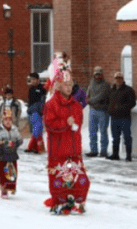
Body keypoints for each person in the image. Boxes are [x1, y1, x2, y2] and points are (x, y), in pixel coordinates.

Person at [43, 53, 89, 215]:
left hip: (74, 150)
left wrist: (74, 124)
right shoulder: (51, 104)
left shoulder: (76, 104)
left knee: (80, 179)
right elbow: (50, 124)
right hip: (58, 150)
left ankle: (77, 200)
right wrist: (65, 123)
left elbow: (79, 122)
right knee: (59, 180)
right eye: (65, 84)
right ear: (58, 85)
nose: (69, 87)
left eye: (71, 84)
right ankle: (60, 202)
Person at [0, 109, 23, 198]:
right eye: (6, 120)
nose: (8, 122)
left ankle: (12, 187)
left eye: (10, 120)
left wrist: (18, 142)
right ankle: (4, 189)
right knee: (3, 172)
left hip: (12, 154)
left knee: (13, 172)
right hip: (2, 155)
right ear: (2, 121)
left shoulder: (14, 130)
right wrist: (0, 142)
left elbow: (19, 139)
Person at [106, 72, 136, 161]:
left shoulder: (129, 90)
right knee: (115, 137)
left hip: (124, 118)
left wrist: (121, 108)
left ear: (123, 79)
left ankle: (128, 156)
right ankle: (115, 154)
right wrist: (110, 110)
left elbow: (133, 103)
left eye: (120, 78)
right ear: (114, 79)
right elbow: (108, 102)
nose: (118, 79)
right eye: (116, 78)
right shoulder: (112, 90)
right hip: (114, 118)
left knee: (127, 137)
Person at [86, 67, 111, 157]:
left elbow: (101, 96)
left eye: (99, 74)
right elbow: (87, 94)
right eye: (96, 74)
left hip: (103, 111)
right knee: (92, 131)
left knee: (103, 131)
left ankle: (103, 151)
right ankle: (93, 150)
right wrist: (88, 99)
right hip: (92, 110)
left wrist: (90, 100)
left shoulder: (106, 85)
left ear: (102, 74)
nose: (97, 76)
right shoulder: (91, 83)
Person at [26, 73, 46, 154]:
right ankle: (38, 147)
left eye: (34, 79)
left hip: (38, 111)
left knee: (37, 128)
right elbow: (29, 101)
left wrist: (41, 109)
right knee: (37, 129)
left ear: (38, 80)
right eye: (32, 79)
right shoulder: (31, 89)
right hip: (31, 111)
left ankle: (34, 147)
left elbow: (43, 100)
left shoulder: (41, 88)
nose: (33, 81)